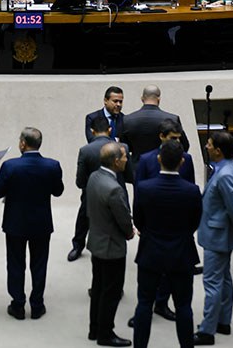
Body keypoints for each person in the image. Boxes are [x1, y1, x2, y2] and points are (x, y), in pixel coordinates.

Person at [132, 139, 202, 348]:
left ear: (159, 159)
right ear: (182, 162)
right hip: (181, 253)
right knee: (183, 306)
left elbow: (139, 221)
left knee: (144, 303)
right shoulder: (192, 191)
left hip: (151, 251)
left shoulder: (144, 188)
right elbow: (193, 223)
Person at [0, 127, 64, 320]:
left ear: (23, 143)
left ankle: (18, 304)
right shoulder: (52, 165)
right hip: (41, 223)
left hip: (15, 223)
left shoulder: (10, 166)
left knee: (16, 263)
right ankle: (37, 305)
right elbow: (58, 191)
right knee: (39, 264)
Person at [194, 131, 233, 346]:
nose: (206, 147)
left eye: (209, 144)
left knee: (212, 283)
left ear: (218, 150)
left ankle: (207, 331)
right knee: (224, 278)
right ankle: (223, 321)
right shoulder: (226, 168)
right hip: (220, 232)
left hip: (217, 235)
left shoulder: (225, 174)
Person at [87, 142, 134, 347]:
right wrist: (130, 231)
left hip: (97, 241)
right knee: (112, 292)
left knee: (98, 287)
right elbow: (123, 220)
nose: (127, 159)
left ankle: (94, 328)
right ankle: (106, 334)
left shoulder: (94, 177)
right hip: (111, 247)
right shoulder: (114, 188)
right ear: (116, 162)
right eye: (124, 157)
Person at [69, 116, 126, 262]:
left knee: (83, 219)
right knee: (116, 217)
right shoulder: (122, 148)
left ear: (92, 131)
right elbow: (129, 175)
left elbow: (80, 181)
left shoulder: (85, 150)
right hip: (116, 189)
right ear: (110, 130)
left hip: (91, 192)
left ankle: (78, 246)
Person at [120, 85, 191, 171]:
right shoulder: (172, 119)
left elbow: (125, 146)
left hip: (138, 168)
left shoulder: (127, 120)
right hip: (163, 167)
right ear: (159, 99)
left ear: (142, 99)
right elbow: (184, 145)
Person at [135, 119, 195, 186]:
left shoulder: (187, 158)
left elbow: (190, 185)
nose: (178, 141)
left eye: (179, 138)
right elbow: (139, 188)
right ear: (162, 136)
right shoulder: (146, 160)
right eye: (173, 138)